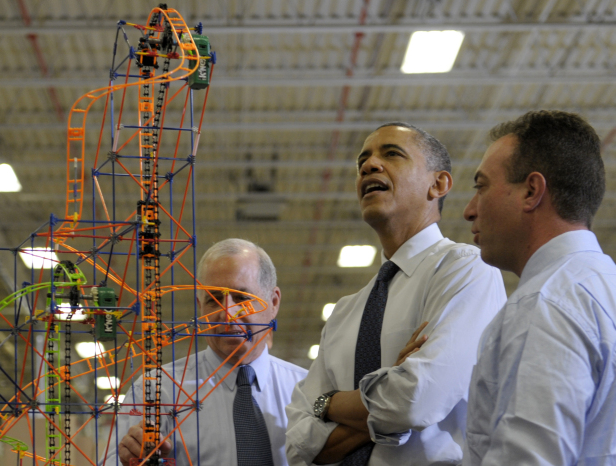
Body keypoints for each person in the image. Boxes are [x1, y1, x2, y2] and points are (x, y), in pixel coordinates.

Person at [285, 123, 506, 465]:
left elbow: (418, 400)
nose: (369, 166)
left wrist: (329, 404)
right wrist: (391, 386)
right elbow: (299, 447)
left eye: (391, 154)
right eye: (364, 160)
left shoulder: (465, 269)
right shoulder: (346, 312)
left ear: (438, 184)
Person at [462, 110, 616, 465]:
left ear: (531, 191)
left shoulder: (546, 304)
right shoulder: (601, 288)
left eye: (481, 186)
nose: (470, 210)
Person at [104, 238, 308, 466]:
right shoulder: (156, 390)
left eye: (241, 298)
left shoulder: (307, 389)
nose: (227, 314)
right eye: (214, 300)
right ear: (200, 306)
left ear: (273, 302)